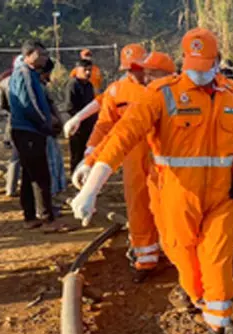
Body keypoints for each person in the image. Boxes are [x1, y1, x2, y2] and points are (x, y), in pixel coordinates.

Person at [71, 28, 233, 334]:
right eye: (193, 64)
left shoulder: (231, 95)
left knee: (218, 261)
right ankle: (203, 301)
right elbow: (123, 134)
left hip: (221, 199)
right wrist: (94, 181)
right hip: (176, 198)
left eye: (206, 64)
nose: (200, 71)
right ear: (183, 61)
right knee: (183, 257)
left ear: (216, 62)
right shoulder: (161, 95)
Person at [71, 44, 164, 284]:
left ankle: (177, 253)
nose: (135, 74)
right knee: (138, 206)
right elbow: (105, 127)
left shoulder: (165, 88)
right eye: (130, 69)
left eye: (139, 68)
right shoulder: (117, 91)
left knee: (169, 206)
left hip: (165, 157)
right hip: (132, 156)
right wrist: (89, 158)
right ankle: (146, 258)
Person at [8, 40, 67, 231]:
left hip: (28, 130)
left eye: (45, 54)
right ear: (28, 56)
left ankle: (30, 217)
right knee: (41, 176)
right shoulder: (25, 74)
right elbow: (30, 104)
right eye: (40, 54)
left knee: (29, 175)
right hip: (29, 131)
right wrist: (47, 122)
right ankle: (48, 219)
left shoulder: (31, 74)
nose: (44, 58)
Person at [39, 58, 66, 200]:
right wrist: (54, 120)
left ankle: (54, 194)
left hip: (50, 131)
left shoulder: (42, 86)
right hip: (46, 132)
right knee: (50, 164)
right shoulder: (39, 88)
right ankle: (51, 195)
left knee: (54, 162)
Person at [64, 59, 97, 172]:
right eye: (85, 70)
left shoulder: (89, 85)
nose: (88, 73)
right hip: (77, 127)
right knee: (77, 154)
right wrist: (79, 119)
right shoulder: (72, 85)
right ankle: (75, 175)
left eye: (89, 70)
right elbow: (69, 107)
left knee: (88, 152)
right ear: (77, 70)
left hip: (90, 126)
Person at [0, 65, 20, 198]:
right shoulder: (27, 80)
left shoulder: (5, 82)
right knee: (17, 157)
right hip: (24, 123)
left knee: (15, 158)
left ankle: (10, 187)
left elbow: (2, 105)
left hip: (13, 120)